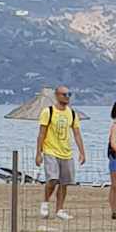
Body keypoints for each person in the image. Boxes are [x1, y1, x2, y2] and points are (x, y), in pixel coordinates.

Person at [35, 86, 86, 219]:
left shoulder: (72, 113)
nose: (67, 97)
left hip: (66, 152)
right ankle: (45, 202)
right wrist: (38, 153)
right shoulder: (48, 112)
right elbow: (41, 133)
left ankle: (59, 209)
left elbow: (77, 134)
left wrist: (82, 152)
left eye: (69, 94)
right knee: (52, 179)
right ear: (57, 95)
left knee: (64, 183)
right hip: (50, 150)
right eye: (64, 94)